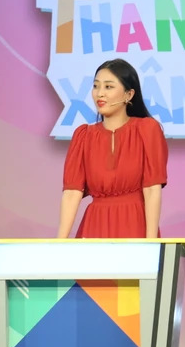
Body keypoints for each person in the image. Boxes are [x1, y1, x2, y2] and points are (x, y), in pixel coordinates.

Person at [57, 59, 168, 239]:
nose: (100, 93)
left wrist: (151, 242)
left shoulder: (147, 129)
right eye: (96, 86)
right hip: (95, 225)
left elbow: (152, 189)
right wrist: (59, 243)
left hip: (134, 224)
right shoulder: (83, 136)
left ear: (129, 94)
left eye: (108, 87)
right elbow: (71, 193)